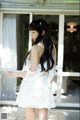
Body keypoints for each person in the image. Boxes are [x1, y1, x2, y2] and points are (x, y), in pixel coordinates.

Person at [6, 19, 56, 120]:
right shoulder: (52, 48)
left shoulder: (35, 48)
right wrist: (47, 81)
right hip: (44, 85)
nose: (31, 35)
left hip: (32, 86)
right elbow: (51, 70)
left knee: (30, 116)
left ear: (42, 32)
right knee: (43, 113)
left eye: (33, 32)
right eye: (30, 32)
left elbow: (32, 72)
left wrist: (15, 74)